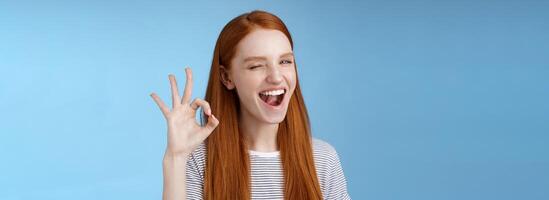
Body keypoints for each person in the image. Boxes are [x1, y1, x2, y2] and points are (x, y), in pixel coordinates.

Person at [150, 10, 351, 200]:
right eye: (256, 66)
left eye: (285, 62)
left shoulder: (322, 159)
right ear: (226, 77)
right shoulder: (199, 159)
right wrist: (175, 158)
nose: (276, 77)